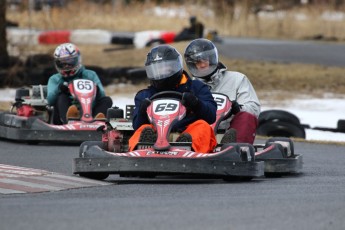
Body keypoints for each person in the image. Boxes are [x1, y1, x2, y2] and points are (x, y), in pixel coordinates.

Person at [128, 44, 217, 152]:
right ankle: (143, 147)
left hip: (187, 132)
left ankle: (187, 146)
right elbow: (137, 126)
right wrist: (142, 111)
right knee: (143, 129)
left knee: (203, 126)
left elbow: (211, 116)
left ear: (176, 66)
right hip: (156, 136)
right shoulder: (144, 95)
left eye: (166, 68)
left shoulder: (196, 87)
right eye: (158, 69)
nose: (162, 73)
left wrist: (196, 104)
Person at [184, 38, 261, 144]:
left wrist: (238, 108)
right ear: (192, 65)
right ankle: (184, 145)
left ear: (212, 59)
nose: (202, 65)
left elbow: (254, 109)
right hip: (200, 133)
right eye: (198, 62)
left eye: (205, 60)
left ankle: (233, 147)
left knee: (247, 116)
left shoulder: (237, 79)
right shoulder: (189, 86)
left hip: (229, 131)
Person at [47, 43, 112, 125]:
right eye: (62, 63)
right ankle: (69, 120)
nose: (66, 66)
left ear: (78, 60)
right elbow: (50, 100)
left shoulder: (90, 74)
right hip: (66, 110)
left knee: (107, 100)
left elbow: (102, 95)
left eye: (69, 62)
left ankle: (97, 120)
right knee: (61, 97)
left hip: (90, 107)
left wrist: (96, 89)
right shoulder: (54, 79)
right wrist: (60, 89)